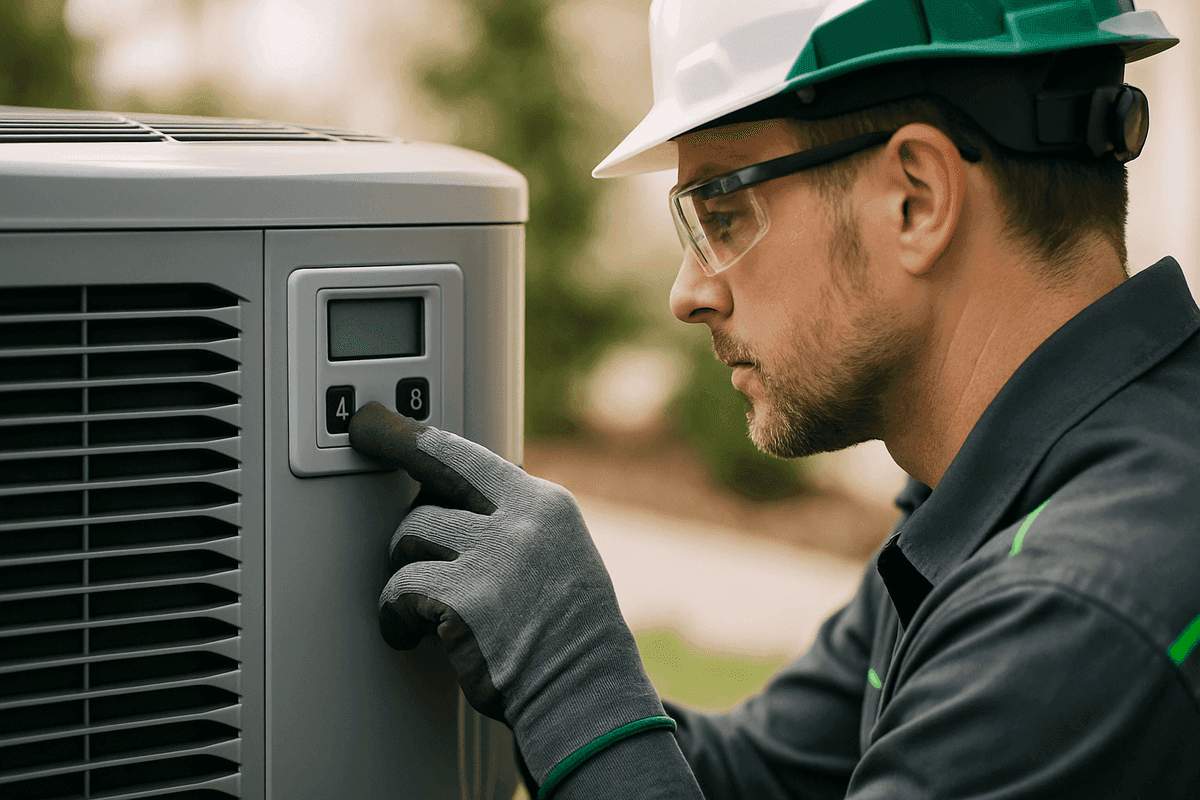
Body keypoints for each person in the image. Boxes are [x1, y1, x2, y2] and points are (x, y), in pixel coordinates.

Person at [349, 1, 1200, 797]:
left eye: (723, 212)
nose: (687, 294)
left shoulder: (1076, 614)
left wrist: (568, 675)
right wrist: (541, 674)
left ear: (917, 199)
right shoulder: (1009, 494)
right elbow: (766, 778)